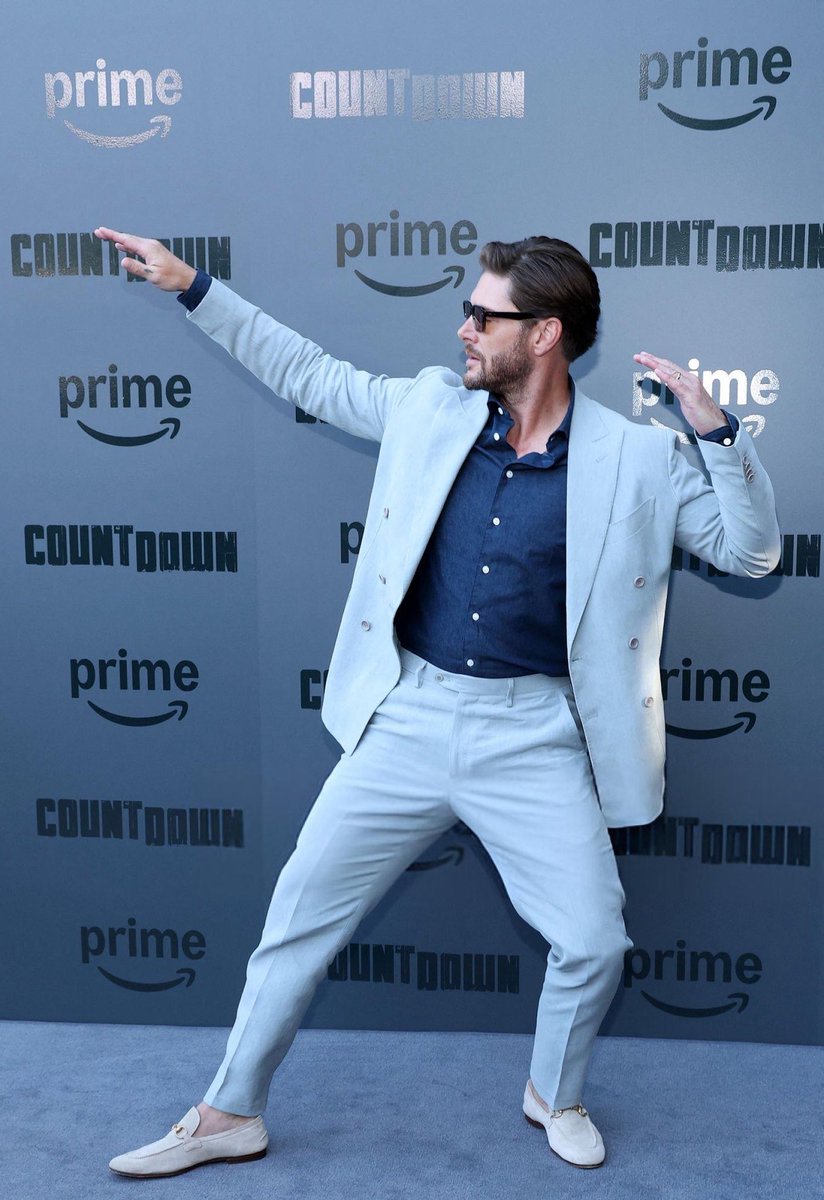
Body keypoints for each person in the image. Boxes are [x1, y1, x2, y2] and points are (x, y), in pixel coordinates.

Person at [94, 227, 779, 1174]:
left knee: (593, 941)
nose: (462, 328)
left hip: (536, 736)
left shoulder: (639, 458)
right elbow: (307, 373)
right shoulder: (430, 408)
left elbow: (751, 553)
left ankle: (555, 1091)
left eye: (481, 315)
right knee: (298, 917)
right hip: (406, 716)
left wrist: (716, 435)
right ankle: (227, 1114)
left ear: (542, 335)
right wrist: (193, 286)